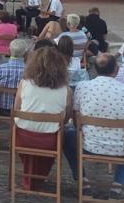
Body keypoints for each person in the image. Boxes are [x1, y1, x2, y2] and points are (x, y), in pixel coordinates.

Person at [72, 53, 124, 200]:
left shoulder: (82, 87)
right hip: (119, 147)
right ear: (116, 69)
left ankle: (84, 182)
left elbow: (76, 117)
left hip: (88, 144)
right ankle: (118, 185)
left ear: (94, 69)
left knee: (70, 135)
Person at [12, 45, 76, 191]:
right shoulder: (66, 90)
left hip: (23, 137)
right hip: (50, 140)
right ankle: (38, 177)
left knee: (24, 130)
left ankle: (30, 177)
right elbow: (65, 119)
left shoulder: (24, 84)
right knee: (61, 133)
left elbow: (16, 109)